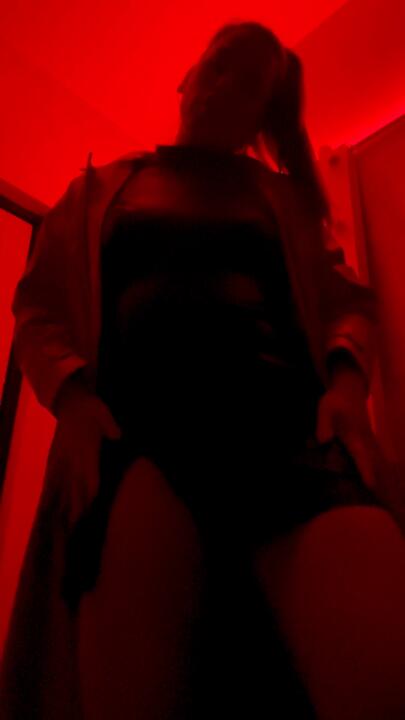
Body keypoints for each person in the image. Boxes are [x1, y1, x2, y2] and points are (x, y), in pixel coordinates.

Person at [2, 19, 405, 720]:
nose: (222, 87)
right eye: (216, 67)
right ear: (186, 79)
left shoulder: (286, 203)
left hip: (290, 439)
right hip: (141, 441)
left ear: (260, 119)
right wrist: (72, 398)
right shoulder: (99, 190)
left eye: (246, 86)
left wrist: (345, 385)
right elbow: (39, 308)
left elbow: (348, 304)